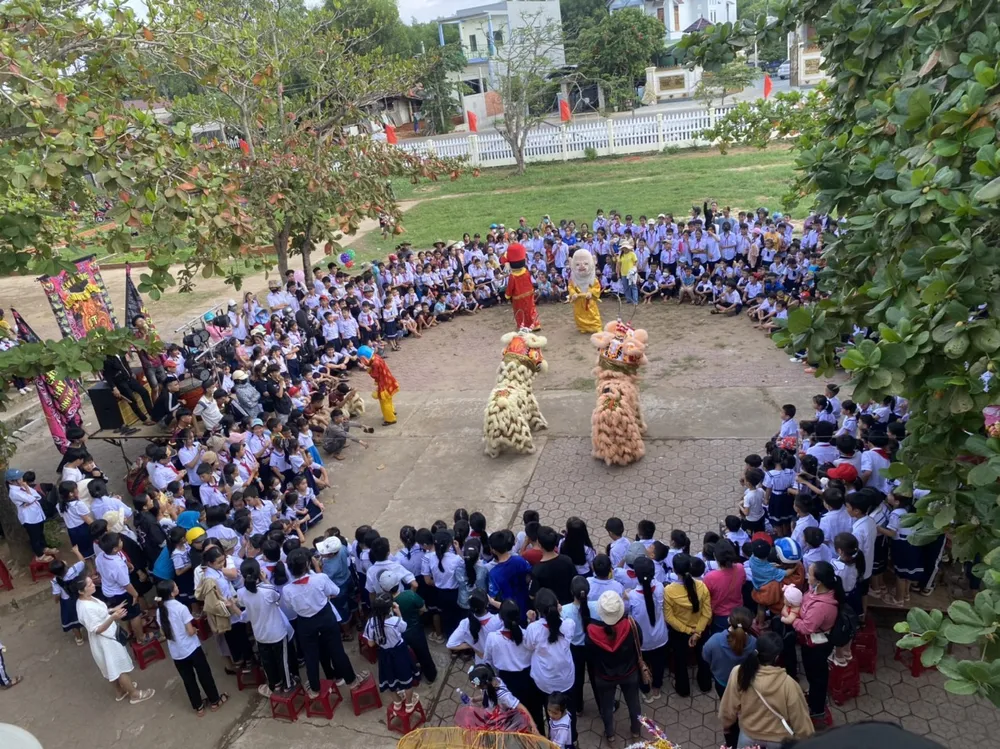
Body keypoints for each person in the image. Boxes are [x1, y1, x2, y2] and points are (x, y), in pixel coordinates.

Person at [281, 547, 366, 696]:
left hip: (305, 623)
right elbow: (336, 591)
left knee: (311, 655)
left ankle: (314, 688)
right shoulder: (319, 578)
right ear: (308, 564)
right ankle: (351, 681)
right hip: (325, 617)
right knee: (337, 650)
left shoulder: (287, 590)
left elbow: (290, 606)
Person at [718, 631, 814, 748]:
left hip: (748, 737)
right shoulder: (789, 685)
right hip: (780, 741)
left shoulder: (739, 673)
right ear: (777, 657)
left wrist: (726, 724)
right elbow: (801, 722)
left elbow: (728, 709)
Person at [74, 576, 155, 704]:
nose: (93, 585)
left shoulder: (88, 599)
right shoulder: (85, 608)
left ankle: (120, 691)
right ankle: (134, 694)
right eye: (89, 585)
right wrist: (113, 617)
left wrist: (112, 610)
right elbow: (97, 629)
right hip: (105, 640)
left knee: (110, 667)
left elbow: (100, 613)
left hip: (106, 637)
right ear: (81, 591)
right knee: (118, 668)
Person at [155, 579, 226, 715]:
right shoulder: (181, 608)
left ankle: (198, 707)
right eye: (175, 586)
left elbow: (164, 632)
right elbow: (190, 631)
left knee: (188, 680)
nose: (177, 587)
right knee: (204, 675)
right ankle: (215, 701)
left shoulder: (160, 611)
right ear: (172, 592)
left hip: (177, 652)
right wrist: (195, 630)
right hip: (191, 648)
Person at [585, 590, 643, 746]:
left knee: (606, 706)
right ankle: (636, 730)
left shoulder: (591, 632)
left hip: (604, 677)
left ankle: (610, 734)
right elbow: (640, 643)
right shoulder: (631, 625)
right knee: (634, 703)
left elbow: (589, 656)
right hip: (630, 673)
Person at [785, 561, 841, 720]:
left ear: (819, 581)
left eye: (809, 574)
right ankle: (815, 697)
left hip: (817, 646)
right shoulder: (815, 591)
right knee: (812, 673)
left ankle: (817, 709)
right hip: (810, 643)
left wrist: (791, 619)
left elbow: (806, 627)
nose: (807, 576)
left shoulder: (821, 607)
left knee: (817, 676)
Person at [483, 599, 545, 731]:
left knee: (512, 719)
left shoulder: (493, 638)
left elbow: (487, 662)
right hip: (530, 680)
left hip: (508, 682)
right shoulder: (527, 634)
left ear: (500, 617)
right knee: (535, 714)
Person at [238, 558, 297, 696]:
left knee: (267, 661)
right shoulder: (267, 590)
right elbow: (277, 597)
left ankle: (274, 684)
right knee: (283, 660)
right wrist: (265, 580)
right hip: (277, 633)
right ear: (260, 572)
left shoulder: (242, 593)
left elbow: (244, 607)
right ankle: (288, 685)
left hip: (260, 634)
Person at [524, 588, 576, 737]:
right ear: (557, 605)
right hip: (566, 680)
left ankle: (551, 736)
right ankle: (571, 738)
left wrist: (531, 622)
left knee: (549, 710)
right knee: (569, 711)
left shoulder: (533, 629)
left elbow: (528, 646)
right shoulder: (568, 624)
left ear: (538, 610)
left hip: (545, 682)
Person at [363, 592, 421, 713]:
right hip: (400, 652)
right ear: (390, 608)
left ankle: (397, 703)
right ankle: (409, 704)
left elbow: (371, 644)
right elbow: (404, 628)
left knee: (390, 679)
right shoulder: (395, 621)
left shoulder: (371, 623)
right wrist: (398, 612)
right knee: (406, 679)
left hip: (384, 654)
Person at [664, 553, 712, 696]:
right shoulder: (701, 587)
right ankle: (705, 685)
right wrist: (697, 632)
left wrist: (687, 631)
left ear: (674, 570)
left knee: (680, 661)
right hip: (701, 630)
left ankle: (683, 689)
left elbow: (669, 617)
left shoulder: (669, 591)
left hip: (680, 633)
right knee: (703, 658)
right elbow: (707, 613)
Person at [625, 556, 668, 703]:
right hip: (660, 637)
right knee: (659, 663)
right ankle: (657, 687)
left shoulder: (632, 596)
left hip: (641, 641)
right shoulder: (660, 587)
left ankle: (645, 690)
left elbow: (627, 613)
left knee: (641, 664)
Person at [6, 468, 56, 561]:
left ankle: (44, 548)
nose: (21, 480)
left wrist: (28, 493)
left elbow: (37, 495)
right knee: (35, 537)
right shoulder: (14, 492)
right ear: (10, 481)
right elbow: (31, 498)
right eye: (18, 479)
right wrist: (29, 495)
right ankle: (39, 555)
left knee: (41, 533)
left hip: (37, 514)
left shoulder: (23, 487)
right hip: (29, 518)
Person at [102, 353, 156, 426]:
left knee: (144, 392)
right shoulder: (108, 359)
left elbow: (125, 365)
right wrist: (114, 387)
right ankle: (144, 419)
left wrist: (130, 372)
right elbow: (107, 375)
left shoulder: (121, 354)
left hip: (129, 378)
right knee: (132, 400)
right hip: (120, 382)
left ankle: (152, 413)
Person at [502, 242, 541, 331]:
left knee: (520, 312)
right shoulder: (526, 271)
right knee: (531, 309)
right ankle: (535, 324)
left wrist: (507, 295)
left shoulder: (513, 276)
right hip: (529, 294)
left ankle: (522, 326)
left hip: (518, 297)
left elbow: (510, 287)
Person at [357, 344, 399, 426]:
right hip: (388, 380)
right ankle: (391, 411)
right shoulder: (376, 357)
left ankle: (390, 419)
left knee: (384, 401)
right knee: (388, 398)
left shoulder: (374, 364)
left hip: (383, 383)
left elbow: (375, 375)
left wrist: (366, 368)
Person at [49, 554, 86, 645]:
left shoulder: (55, 581)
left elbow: (57, 594)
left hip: (67, 602)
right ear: (65, 567)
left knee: (72, 620)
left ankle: (79, 638)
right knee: (85, 613)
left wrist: (56, 600)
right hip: (80, 596)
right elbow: (83, 562)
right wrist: (76, 551)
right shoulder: (73, 570)